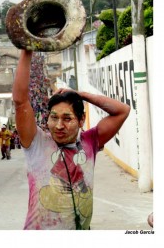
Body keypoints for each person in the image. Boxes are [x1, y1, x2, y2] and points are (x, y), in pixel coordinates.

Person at [12, 50, 130, 230]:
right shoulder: (36, 142)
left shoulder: (90, 141)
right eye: (54, 117)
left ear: (81, 120)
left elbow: (123, 110)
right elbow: (20, 102)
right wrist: (27, 49)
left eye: (67, 119)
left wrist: (81, 95)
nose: (59, 125)